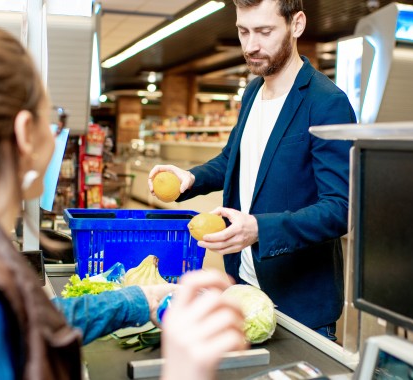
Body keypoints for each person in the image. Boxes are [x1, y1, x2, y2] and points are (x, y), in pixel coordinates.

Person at [0, 26, 245, 379]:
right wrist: (183, 370)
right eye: (56, 119)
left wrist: (142, 299)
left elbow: (27, 321)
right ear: (25, 134)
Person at [149, 0, 356, 340]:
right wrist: (191, 178)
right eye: (243, 31)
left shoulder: (327, 102)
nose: (251, 46)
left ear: (297, 24)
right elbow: (234, 158)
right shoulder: (252, 92)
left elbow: (341, 208)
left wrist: (261, 228)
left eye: (264, 31)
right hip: (244, 288)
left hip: (299, 304)